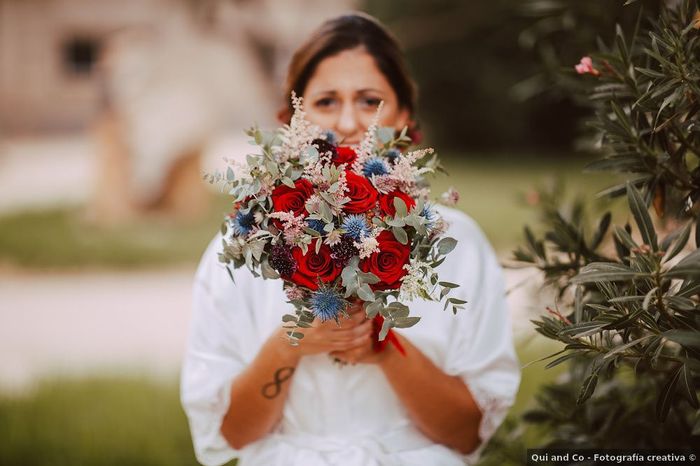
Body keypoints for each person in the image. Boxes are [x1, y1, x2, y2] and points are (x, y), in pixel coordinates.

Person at [181, 12, 520, 466]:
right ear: (292, 121)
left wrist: (381, 346)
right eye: (325, 102)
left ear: (404, 115)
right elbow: (234, 434)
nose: (346, 122)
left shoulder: (456, 242)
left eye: (369, 101)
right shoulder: (242, 246)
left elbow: (465, 433)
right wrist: (292, 342)